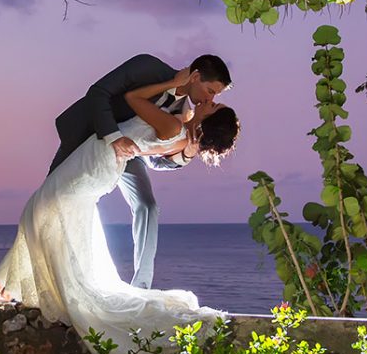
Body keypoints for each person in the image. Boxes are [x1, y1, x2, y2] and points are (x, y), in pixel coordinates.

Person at [0, 67, 240, 354]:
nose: (211, 100)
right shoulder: (181, 132)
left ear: (208, 121)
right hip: (102, 161)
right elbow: (142, 146)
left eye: (215, 105)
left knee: (39, 212)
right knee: (44, 214)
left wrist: (170, 84)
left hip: (97, 161)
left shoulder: (175, 128)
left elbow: (133, 98)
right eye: (213, 95)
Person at [50, 53, 232, 288]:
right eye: (211, 91)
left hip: (130, 155)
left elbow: (155, 159)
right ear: (195, 77)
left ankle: (142, 285)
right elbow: (98, 93)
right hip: (91, 136)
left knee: (148, 206)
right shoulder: (149, 67)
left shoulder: (184, 112)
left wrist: (187, 155)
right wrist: (115, 138)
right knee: (50, 200)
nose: (211, 98)